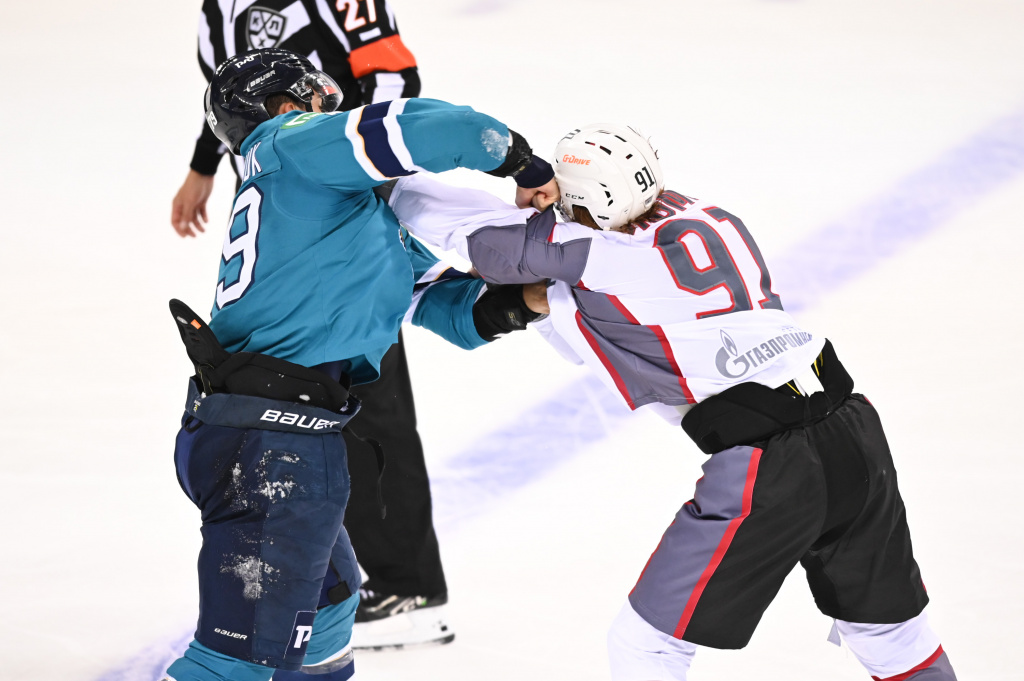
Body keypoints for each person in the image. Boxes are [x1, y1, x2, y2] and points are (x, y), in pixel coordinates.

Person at [385, 124, 958, 681]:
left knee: (647, 645)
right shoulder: (706, 215)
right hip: (854, 432)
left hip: (773, 466)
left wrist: (379, 175)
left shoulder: (603, 256)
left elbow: (485, 243)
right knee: (893, 637)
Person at [163, 48, 556, 681]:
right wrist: (524, 165)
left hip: (276, 437)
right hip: (270, 449)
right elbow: (441, 129)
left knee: (327, 618)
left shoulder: (331, 211)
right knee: (234, 665)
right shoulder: (292, 144)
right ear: (281, 106)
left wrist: (534, 298)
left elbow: (444, 308)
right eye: (316, 98)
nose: (330, 108)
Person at [170, 0, 462, 649]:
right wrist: (203, 165)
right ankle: (347, 582)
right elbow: (229, 95)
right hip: (286, 208)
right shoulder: (217, 11)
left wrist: (357, 174)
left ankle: (406, 586)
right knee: (309, 397)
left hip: (340, 197)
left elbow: (394, 77)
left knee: (367, 396)